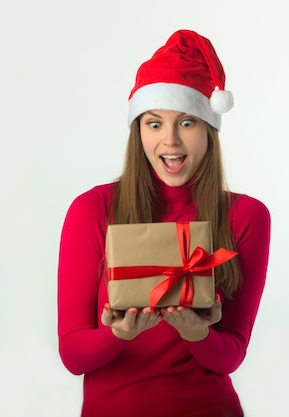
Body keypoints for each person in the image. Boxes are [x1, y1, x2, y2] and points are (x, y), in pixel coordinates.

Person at [57, 29, 271, 417]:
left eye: (187, 123)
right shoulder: (92, 210)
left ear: (209, 129)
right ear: (138, 131)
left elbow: (232, 354)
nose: (170, 141)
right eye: (154, 124)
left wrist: (198, 335)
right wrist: (118, 335)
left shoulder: (246, 217)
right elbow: (73, 354)